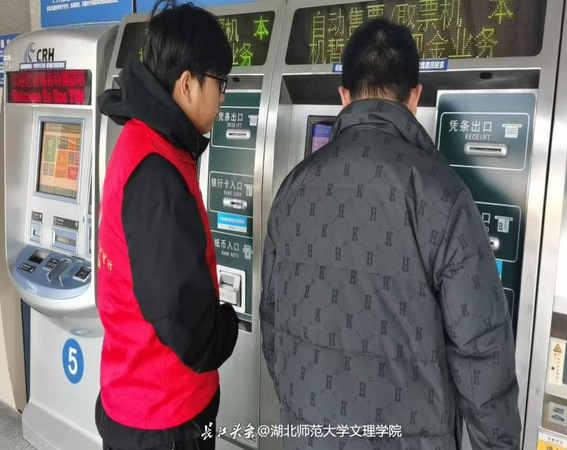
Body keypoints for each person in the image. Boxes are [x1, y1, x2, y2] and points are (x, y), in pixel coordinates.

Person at [260, 18, 520, 450]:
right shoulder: (443, 194)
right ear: (415, 96)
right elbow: (481, 353)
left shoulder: (291, 188)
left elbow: (272, 323)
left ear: (344, 96)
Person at [95, 1, 239, 449]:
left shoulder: (147, 140)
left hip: (139, 390)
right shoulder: (157, 170)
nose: (222, 97)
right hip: (163, 413)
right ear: (187, 83)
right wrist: (226, 328)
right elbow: (179, 316)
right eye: (220, 82)